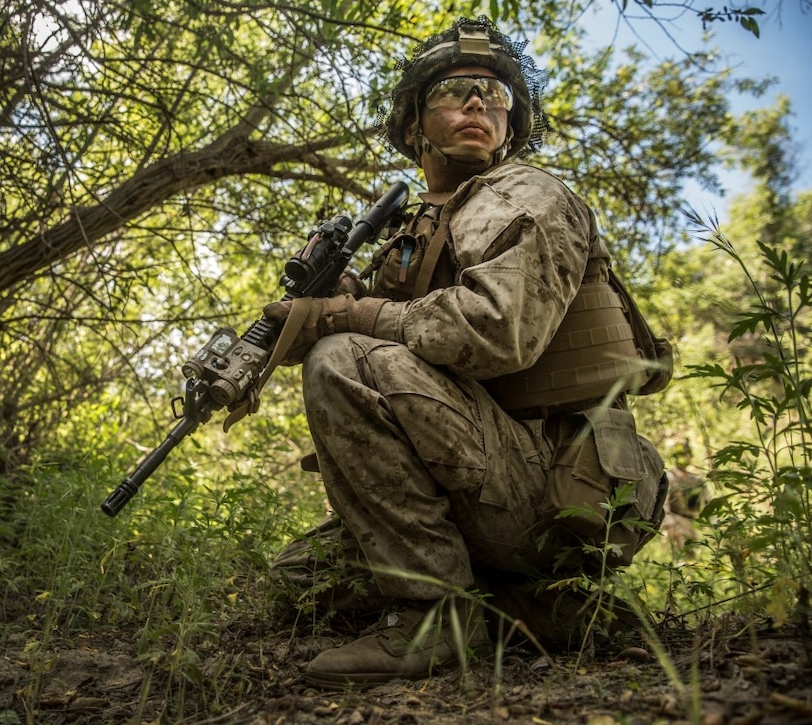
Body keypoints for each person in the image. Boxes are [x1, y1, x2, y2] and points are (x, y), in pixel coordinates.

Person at [263, 17, 671, 688]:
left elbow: (496, 329)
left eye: (496, 94)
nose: (481, 102)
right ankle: (530, 608)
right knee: (297, 582)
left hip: (554, 489)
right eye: (456, 89)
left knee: (341, 358)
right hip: (487, 476)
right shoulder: (422, 226)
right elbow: (398, 328)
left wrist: (348, 315)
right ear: (415, 123)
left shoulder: (522, 196)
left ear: (511, 126)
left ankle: (437, 616)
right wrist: (306, 314)